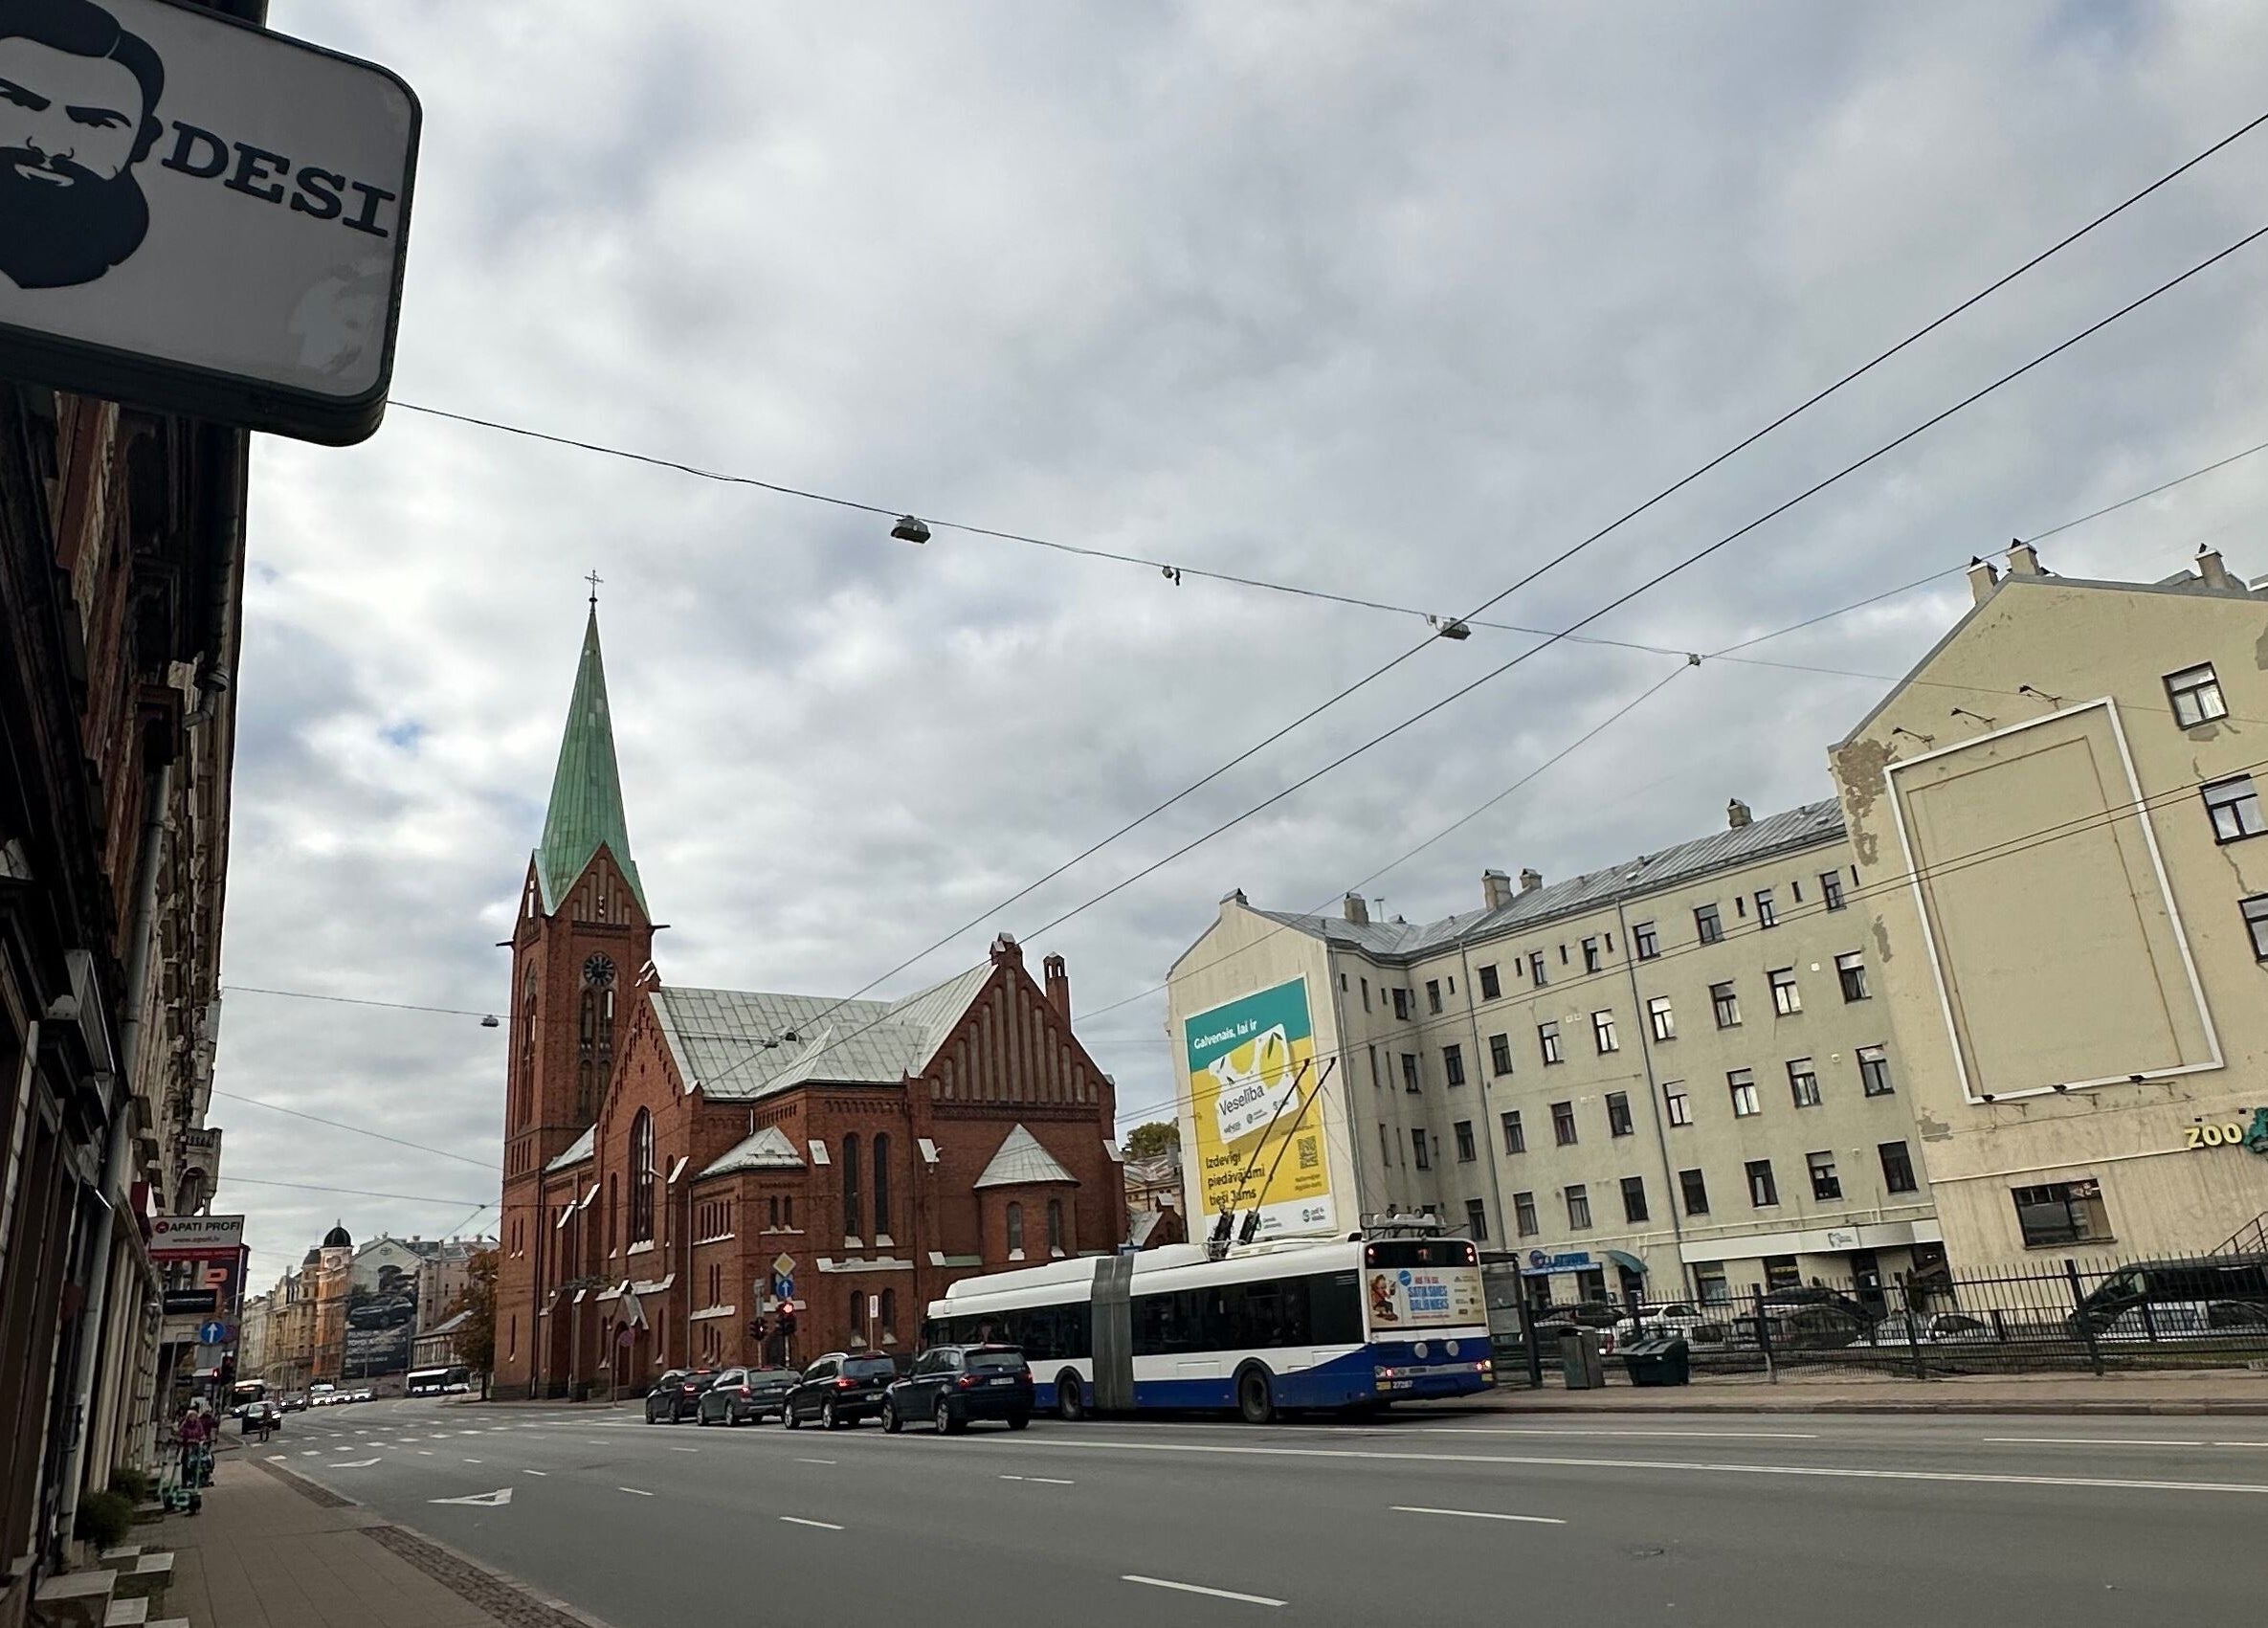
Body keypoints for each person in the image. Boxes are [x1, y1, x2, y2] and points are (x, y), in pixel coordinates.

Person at [176, 1398, 213, 1486]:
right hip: (187, 1448)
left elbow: (202, 1434)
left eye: (194, 1416)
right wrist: (185, 1440)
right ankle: (185, 1481)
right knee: (186, 1464)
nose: (193, 1418)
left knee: (202, 1461)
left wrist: (203, 1439)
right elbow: (180, 1434)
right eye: (191, 1416)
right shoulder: (184, 1425)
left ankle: (201, 1478)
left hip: (197, 1447)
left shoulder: (198, 1424)